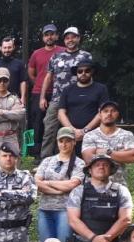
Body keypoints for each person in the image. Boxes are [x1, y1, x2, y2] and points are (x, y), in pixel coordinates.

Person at [66, 154, 133, 242]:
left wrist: (105, 240)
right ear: (90, 170)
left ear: (111, 169)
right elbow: (73, 220)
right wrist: (94, 239)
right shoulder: (78, 191)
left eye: (105, 165)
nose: (101, 167)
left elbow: (126, 219)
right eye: (97, 165)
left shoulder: (121, 191)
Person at [39, 27, 92, 158]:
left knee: (75, 129)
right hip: (57, 99)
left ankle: (75, 159)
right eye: (67, 38)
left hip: (78, 99)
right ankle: (45, 159)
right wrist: (42, 97)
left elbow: (90, 76)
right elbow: (48, 77)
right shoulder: (56, 57)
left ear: (78, 38)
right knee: (49, 128)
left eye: (73, 37)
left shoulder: (86, 56)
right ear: (64, 40)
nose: (70, 40)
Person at [35, 127, 84, 242]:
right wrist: (59, 189)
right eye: (61, 141)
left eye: (68, 141)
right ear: (57, 142)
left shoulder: (79, 163)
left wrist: (48, 183)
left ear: (74, 142)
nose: (64, 144)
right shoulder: (47, 161)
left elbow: (72, 185)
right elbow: (37, 183)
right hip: (45, 210)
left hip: (65, 211)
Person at [27, 24, 65, 160]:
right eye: (46, 34)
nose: (49, 37)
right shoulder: (36, 53)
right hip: (39, 93)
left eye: (52, 34)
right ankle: (38, 154)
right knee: (38, 123)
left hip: (59, 93)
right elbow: (31, 73)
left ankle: (58, 152)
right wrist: (39, 84)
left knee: (59, 122)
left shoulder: (63, 51)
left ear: (56, 36)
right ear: (43, 37)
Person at [81, 101, 134, 187]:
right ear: (99, 114)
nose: (109, 114)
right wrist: (120, 154)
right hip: (93, 187)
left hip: (119, 186)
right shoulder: (89, 135)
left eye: (113, 111)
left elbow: (131, 157)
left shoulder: (127, 135)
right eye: (105, 111)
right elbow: (88, 158)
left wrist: (105, 151)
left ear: (117, 114)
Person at [57, 60, 108, 151]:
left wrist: (85, 131)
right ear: (76, 73)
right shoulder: (67, 89)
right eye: (80, 71)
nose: (83, 73)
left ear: (92, 72)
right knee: (68, 162)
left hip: (94, 134)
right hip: (69, 135)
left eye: (87, 70)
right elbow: (61, 113)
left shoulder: (101, 88)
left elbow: (102, 112)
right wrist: (72, 131)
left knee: (92, 162)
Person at [0, 37, 28, 105]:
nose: (7, 50)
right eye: (5, 47)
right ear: (1, 48)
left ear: (13, 47)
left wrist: (23, 97)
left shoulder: (19, 64)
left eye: (9, 47)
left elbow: (23, 81)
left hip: (14, 99)